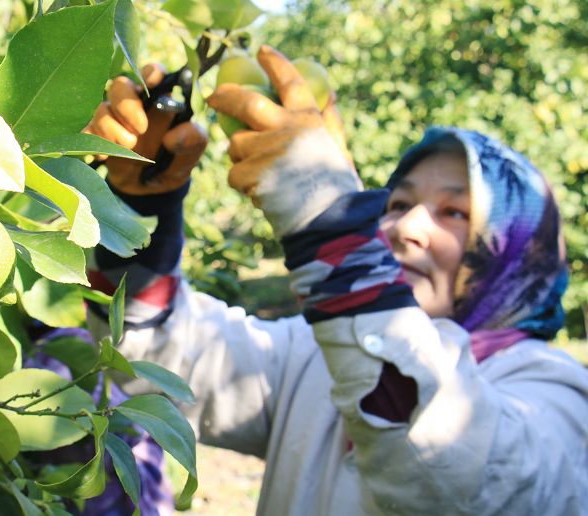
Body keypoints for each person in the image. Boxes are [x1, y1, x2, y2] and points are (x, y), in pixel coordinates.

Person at [84, 45, 588, 514]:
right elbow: (165, 354)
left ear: (518, 257)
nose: (406, 228)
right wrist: (137, 208)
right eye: (398, 204)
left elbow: (457, 473)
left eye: (454, 213)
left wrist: (325, 212)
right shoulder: (314, 354)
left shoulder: (557, 396)